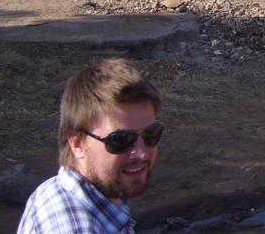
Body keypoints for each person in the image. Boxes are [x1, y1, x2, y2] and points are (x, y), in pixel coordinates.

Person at [17, 58, 163, 234]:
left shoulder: (102, 192)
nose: (141, 153)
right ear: (77, 144)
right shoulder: (73, 227)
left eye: (150, 134)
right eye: (120, 140)